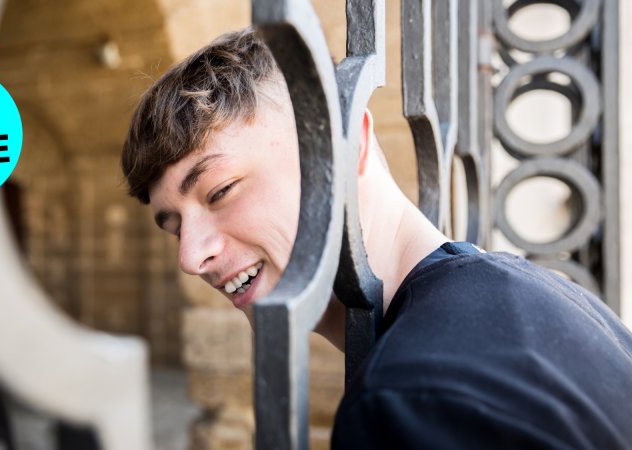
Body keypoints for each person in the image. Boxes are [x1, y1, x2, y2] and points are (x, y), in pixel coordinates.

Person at [121, 28, 632, 449]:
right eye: (175, 226)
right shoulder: (553, 301)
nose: (191, 256)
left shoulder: (410, 402)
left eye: (221, 190)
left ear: (347, 146)